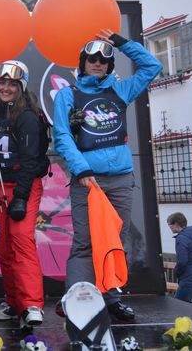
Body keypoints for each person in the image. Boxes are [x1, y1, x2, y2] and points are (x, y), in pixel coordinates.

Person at [53, 29, 162, 321]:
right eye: (92, 58)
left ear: (110, 65)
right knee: (84, 242)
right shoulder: (68, 94)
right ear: (83, 62)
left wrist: (123, 44)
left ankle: (112, 298)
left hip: (120, 179)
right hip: (87, 180)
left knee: (117, 239)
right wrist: (82, 169)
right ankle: (75, 298)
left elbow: (154, 67)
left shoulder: (120, 91)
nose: (98, 63)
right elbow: (61, 136)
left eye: (104, 59)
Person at [0, 60, 50, 326]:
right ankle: (13, 301)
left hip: (23, 184)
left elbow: (31, 159)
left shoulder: (26, 117)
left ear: (21, 87)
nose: (6, 88)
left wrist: (21, 196)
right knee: (2, 246)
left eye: (12, 84)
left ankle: (32, 303)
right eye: (2, 82)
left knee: (22, 240)